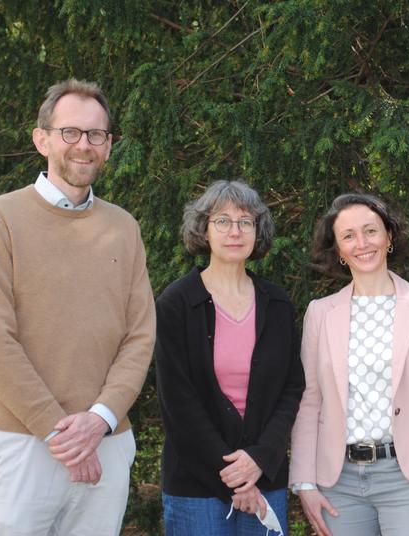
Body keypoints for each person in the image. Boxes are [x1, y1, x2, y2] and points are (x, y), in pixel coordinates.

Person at [0, 79, 156, 535]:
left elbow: (140, 335)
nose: (83, 146)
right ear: (42, 139)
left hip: (107, 443)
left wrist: (100, 420)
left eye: (96, 135)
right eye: (70, 132)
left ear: (108, 146)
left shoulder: (124, 227)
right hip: (20, 443)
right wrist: (60, 431)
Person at [289, 193, 409, 536]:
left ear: (389, 235)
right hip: (338, 483)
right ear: (338, 250)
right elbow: (309, 402)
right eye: (348, 236)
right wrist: (304, 483)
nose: (362, 243)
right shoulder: (320, 313)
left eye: (371, 231)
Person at [155, 180, 305, 535]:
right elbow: (178, 402)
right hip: (196, 486)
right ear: (204, 230)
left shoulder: (277, 303)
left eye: (245, 222)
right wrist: (236, 480)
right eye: (222, 221)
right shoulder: (176, 303)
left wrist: (259, 460)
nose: (234, 231)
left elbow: (291, 388)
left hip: (264, 477)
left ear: (258, 231)